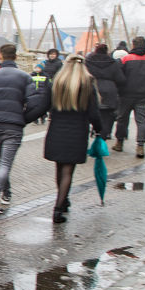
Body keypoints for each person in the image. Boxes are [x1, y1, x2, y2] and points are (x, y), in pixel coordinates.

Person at [0, 43, 50, 214]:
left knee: (3, 162)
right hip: (14, 127)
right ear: (16, 57)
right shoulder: (24, 77)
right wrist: (23, 119)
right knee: (5, 164)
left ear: (0, 57)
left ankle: (7, 194)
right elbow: (34, 103)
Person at [43, 56, 105, 223]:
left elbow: (44, 105)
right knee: (68, 171)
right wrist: (99, 130)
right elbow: (94, 114)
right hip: (77, 132)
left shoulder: (57, 83)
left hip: (56, 130)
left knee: (59, 168)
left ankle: (63, 201)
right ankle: (58, 208)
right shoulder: (86, 85)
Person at [113, 35, 145, 158]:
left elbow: (118, 76)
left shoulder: (125, 59)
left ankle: (119, 142)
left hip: (126, 95)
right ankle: (140, 146)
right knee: (142, 120)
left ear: (133, 45)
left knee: (122, 119)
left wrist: (121, 89)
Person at [84, 43, 126, 141]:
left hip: (92, 89)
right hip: (109, 91)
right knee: (107, 117)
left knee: (90, 113)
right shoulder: (113, 63)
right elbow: (121, 79)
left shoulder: (88, 62)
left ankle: (94, 131)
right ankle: (102, 137)